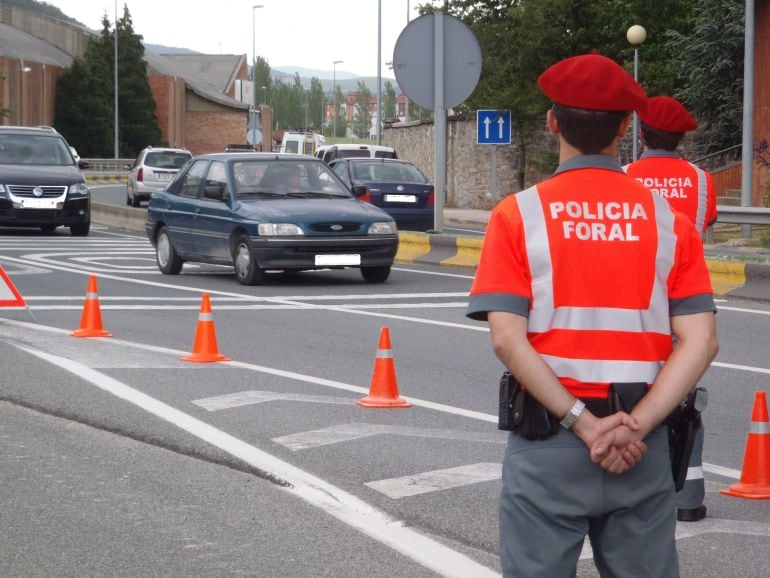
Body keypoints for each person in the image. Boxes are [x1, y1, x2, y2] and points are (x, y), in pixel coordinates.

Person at [466, 54, 719, 577]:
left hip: (549, 445)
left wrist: (584, 425)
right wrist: (636, 427)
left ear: (552, 122)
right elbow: (702, 342)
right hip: (640, 448)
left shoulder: (517, 215)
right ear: (625, 128)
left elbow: (508, 340)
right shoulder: (669, 222)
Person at [625, 96, 717, 522]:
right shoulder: (700, 180)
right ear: (682, 139)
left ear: (642, 134)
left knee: (630, 394)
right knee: (681, 399)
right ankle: (688, 498)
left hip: (633, 305)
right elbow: (706, 226)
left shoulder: (624, 176)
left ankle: (632, 486)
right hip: (687, 304)